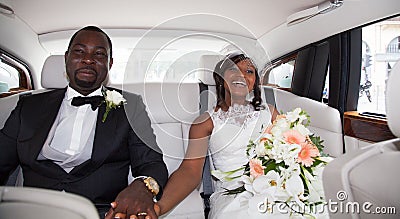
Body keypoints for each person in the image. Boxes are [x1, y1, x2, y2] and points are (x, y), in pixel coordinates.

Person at [0, 26, 168, 219]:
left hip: (101, 212)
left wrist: (142, 187)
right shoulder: (28, 106)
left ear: (109, 63)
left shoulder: (130, 106)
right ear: (66, 58)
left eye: (99, 54)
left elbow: (151, 162)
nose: (88, 59)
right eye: (79, 51)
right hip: (32, 210)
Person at [152, 52, 279, 219]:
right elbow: (190, 171)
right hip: (233, 196)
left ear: (254, 82)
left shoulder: (270, 112)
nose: (241, 75)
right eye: (233, 70)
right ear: (221, 78)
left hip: (275, 188)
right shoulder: (205, 122)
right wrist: (158, 207)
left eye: (249, 72)